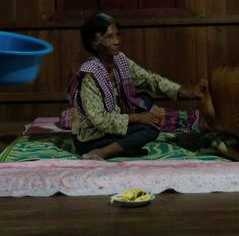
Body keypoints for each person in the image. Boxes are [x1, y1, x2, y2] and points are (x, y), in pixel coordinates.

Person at [66, 12, 205, 160]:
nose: (116, 41)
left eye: (117, 35)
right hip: (90, 138)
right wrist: (138, 118)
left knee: (152, 124)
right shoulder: (90, 75)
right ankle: (101, 153)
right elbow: (100, 121)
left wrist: (184, 92)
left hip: (111, 131)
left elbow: (149, 80)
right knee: (147, 127)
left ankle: (121, 149)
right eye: (109, 37)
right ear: (94, 44)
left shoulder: (120, 60)